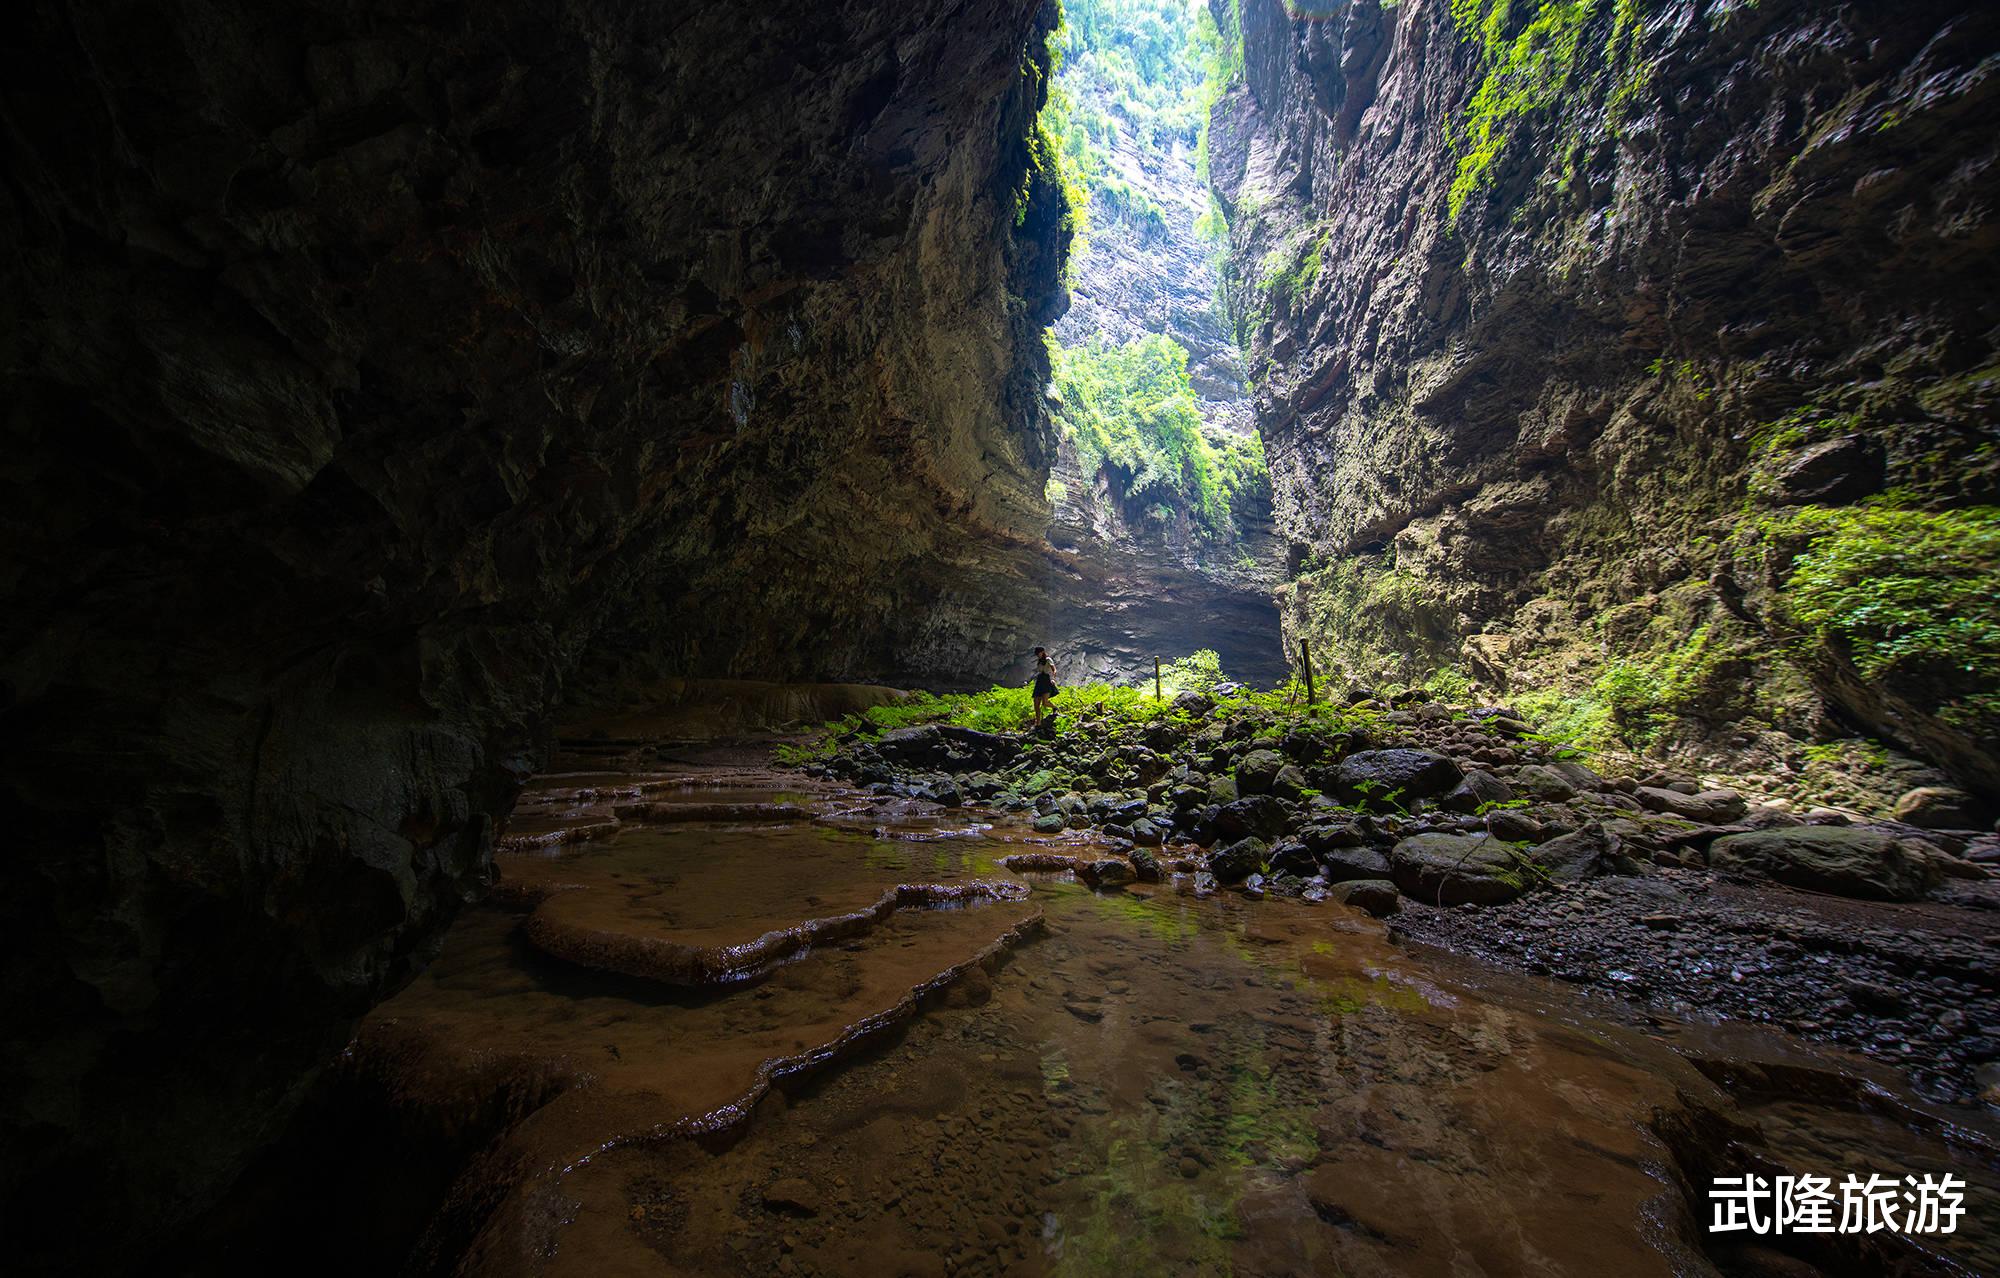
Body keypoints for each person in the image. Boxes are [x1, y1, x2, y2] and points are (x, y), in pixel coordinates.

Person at [1031, 646, 1058, 728]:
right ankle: (1038, 723)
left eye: (1038, 653)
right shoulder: (1039, 661)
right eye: (1036, 654)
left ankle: (1055, 707)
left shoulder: (1048, 659)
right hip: (1040, 681)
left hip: (1046, 680)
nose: (1037, 655)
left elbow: (1054, 670)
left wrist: (1053, 679)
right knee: (1036, 703)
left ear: (1042, 652)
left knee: (1045, 702)